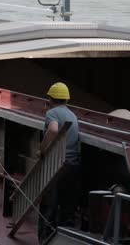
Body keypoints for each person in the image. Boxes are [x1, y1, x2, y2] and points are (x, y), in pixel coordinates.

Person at [37, 82, 82, 243]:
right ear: (66, 100)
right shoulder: (73, 116)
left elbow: (54, 129)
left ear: (50, 98)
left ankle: (44, 239)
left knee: (49, 205)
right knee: (67, 206)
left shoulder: (52, 113)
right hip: (73, 166)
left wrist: (42, 149)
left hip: (56, 166)